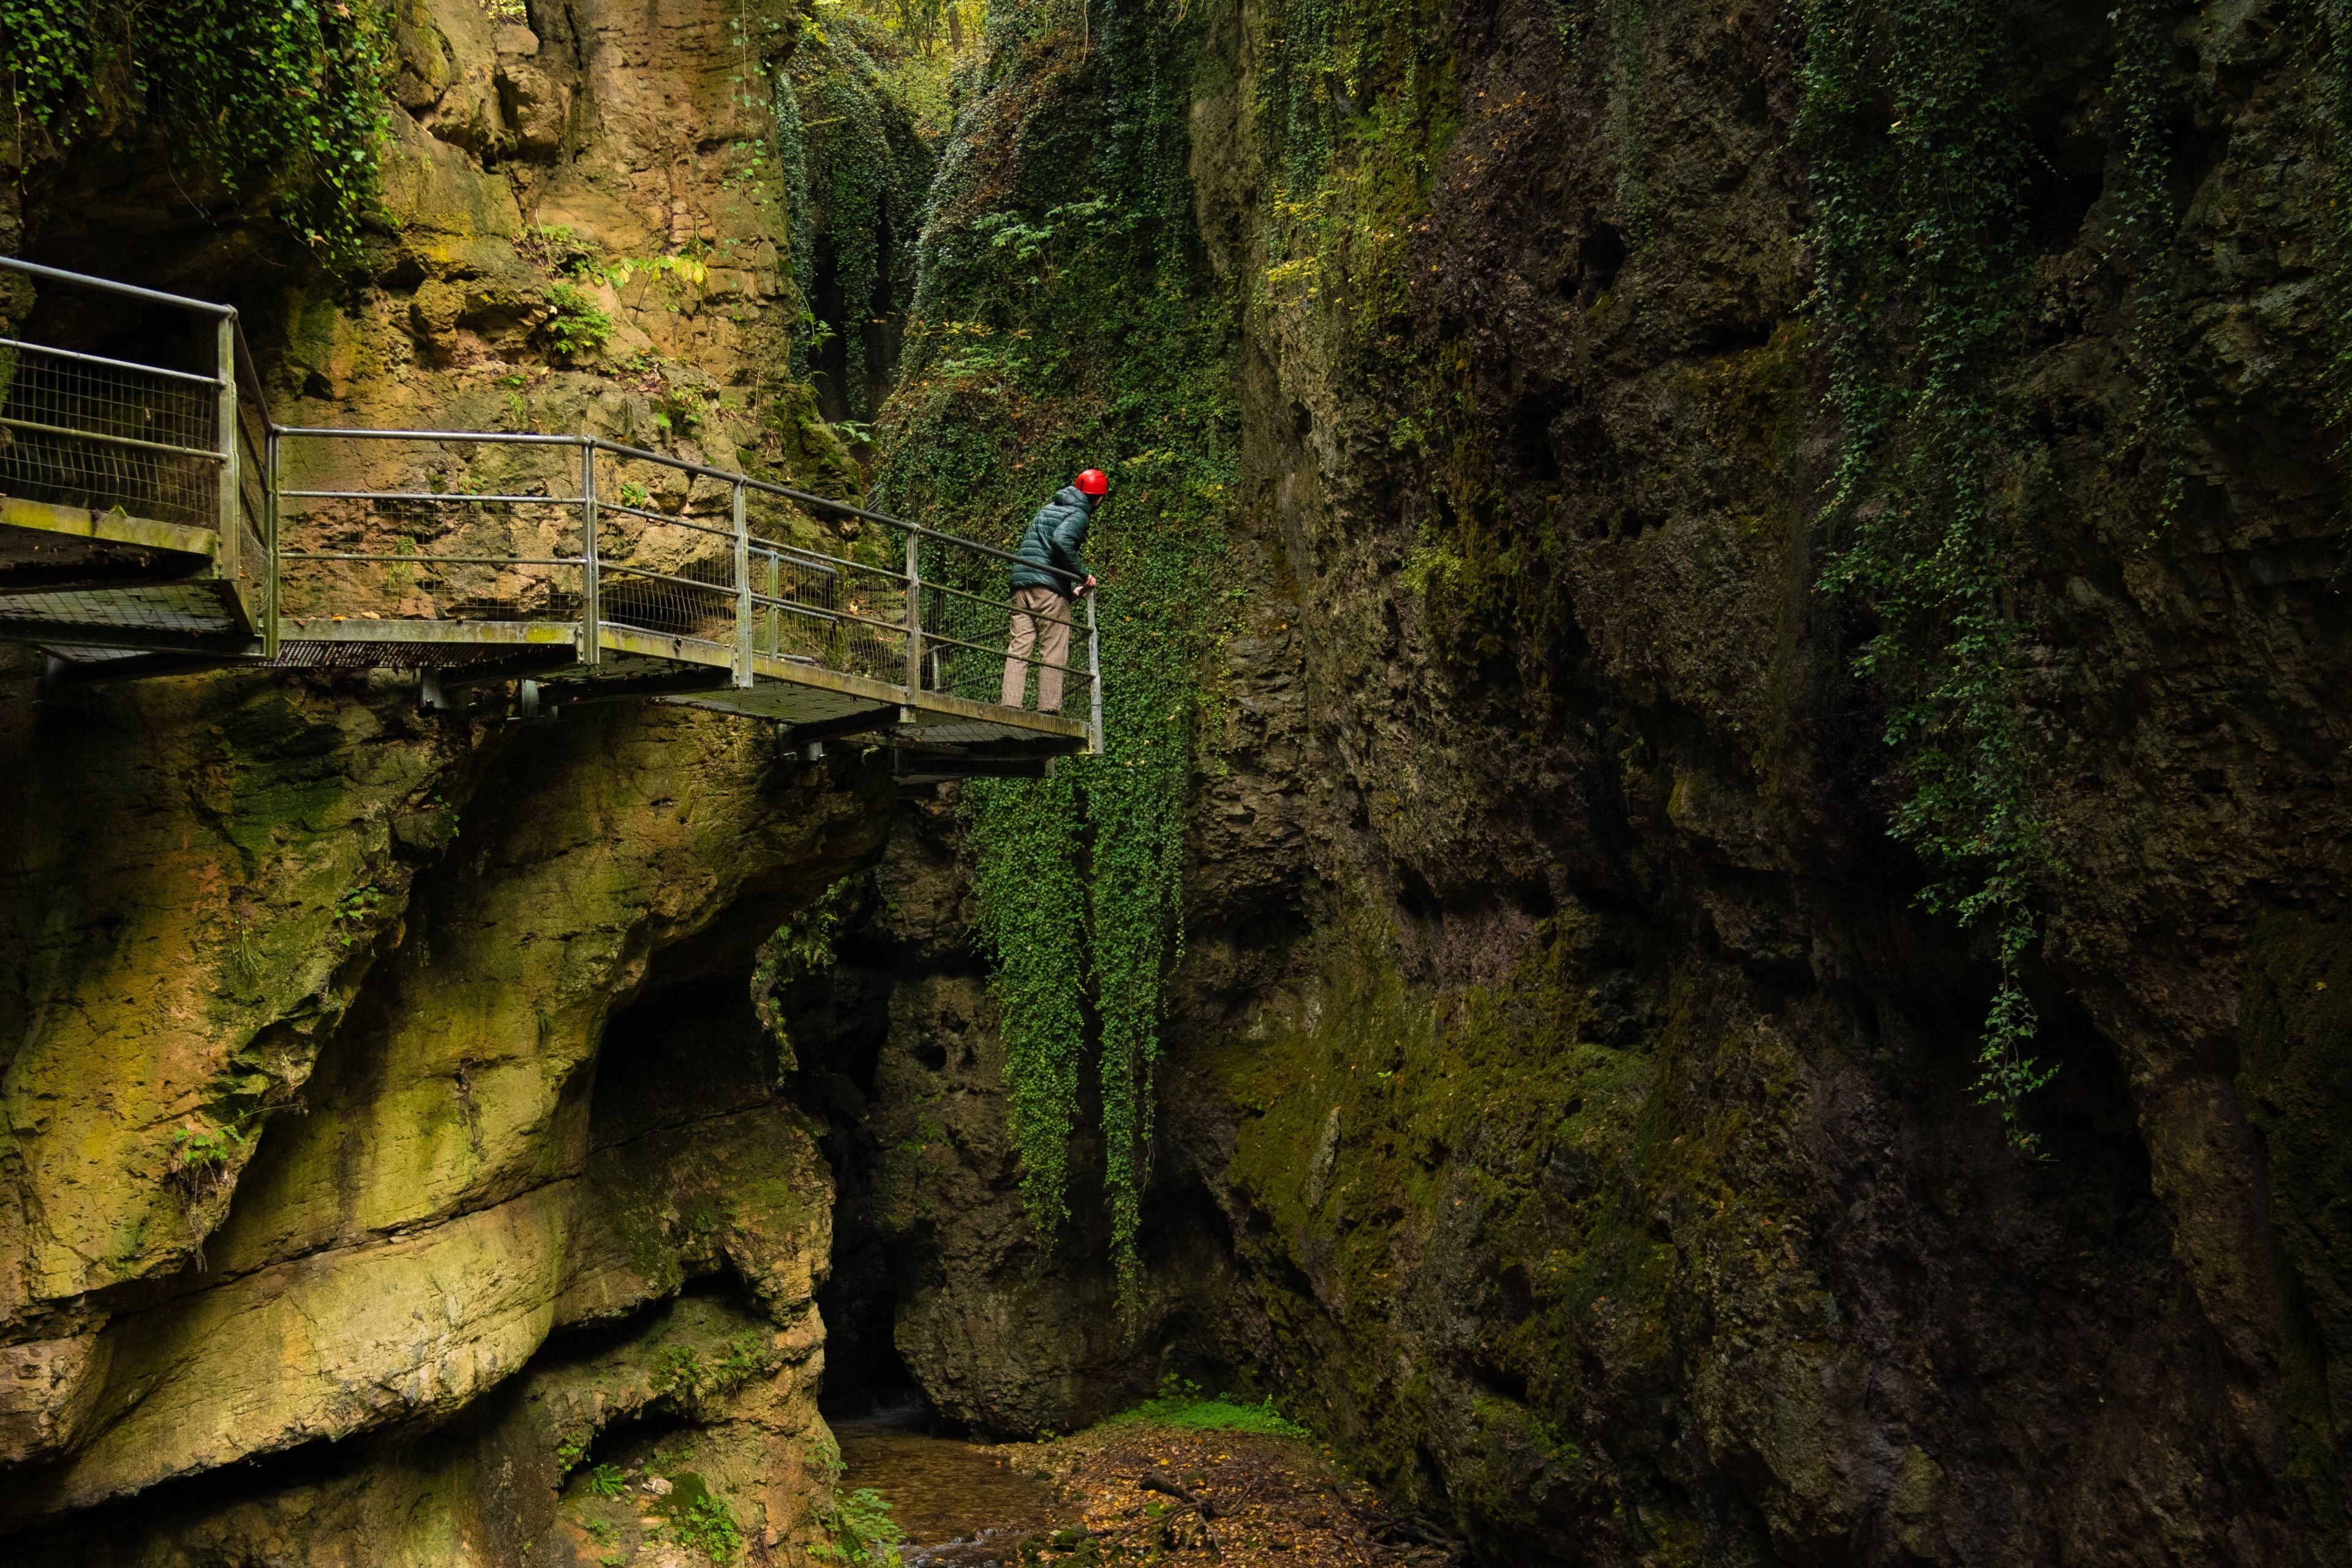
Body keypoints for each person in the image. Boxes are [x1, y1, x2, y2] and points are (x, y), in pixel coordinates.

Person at [1001, 467, 1103, 712]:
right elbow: (1061, 542)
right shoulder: (1080, 514)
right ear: (1099, 499)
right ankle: (1048, 709)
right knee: (1054, 647)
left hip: (1021, 584)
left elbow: (1045, 548)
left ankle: (1010, 705)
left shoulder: (1050, 507)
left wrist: (1070, 590)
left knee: (1019, 647)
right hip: (1047, 589)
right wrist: (1082, 574)